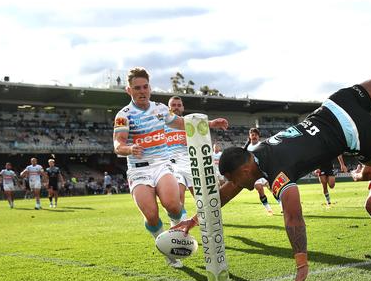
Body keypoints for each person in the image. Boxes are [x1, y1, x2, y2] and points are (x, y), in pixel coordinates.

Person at [199, 5, 371, 281]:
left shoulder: (278, 176)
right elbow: (231, 186)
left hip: (351, 134)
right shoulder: (257, 150)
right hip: (337, 104)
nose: (236, 185)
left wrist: (301, 262)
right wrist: (196, 219)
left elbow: (294, 217)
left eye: (234, 178)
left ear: (243, 170)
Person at [112, 67, 227, 268]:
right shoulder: (123, 115)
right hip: (139, 170)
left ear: (150, 87)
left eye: (145, 87)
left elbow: (182, 123)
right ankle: (168, 251)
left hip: (162, 165)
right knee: (151, 215)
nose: (142, 91)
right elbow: (117, 145)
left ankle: (176, 239)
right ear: (128, 90)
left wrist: (210, 124)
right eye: (137, 88)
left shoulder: (160, 109)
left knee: (174, 206)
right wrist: (129, 148)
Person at [166, 95, 228, 208]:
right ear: (168, 108)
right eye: (173, 105)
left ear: (183, 108)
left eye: (179, 105)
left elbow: (202, 139)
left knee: (203, 199)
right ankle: (178, 223)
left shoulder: (189, 123)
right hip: (172, 164)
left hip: (191, 163)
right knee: (177, 197)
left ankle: (207, 222)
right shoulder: (162, 124)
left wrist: (191, 139)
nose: (176, 107)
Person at [244, 128, 282, 215]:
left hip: (264, 170)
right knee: (259, 189)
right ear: (249, 136)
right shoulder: (247, 148)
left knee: (272, 189)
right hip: (254, 173)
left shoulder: (262, 145)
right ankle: (268, 208)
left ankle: (281, 205)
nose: (254, 136)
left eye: (256, 135)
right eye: (252, 135)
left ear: (258, 136)